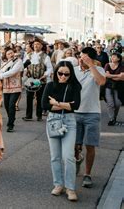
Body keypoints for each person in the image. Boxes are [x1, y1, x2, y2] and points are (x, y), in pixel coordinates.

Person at [42, 61, 82, 202]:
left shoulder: (75, 86)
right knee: (55, 156)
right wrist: (65, 105)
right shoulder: (50, 85)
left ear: (70, 74)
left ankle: (70, 188)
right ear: (56, 72)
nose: (63, 76)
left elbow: (76, 106)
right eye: (60, 73)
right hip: (53, 121)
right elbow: (44, 105)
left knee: (69, 156)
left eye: (66, 74)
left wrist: (56, 103)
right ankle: (58, 184)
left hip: (69, 122)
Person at [74, 47, 106, 188]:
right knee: (75, 145)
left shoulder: (98, 70)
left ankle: (87, 174)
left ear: (91, 59)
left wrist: (91, 65)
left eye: (84, 58)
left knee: (90, 145)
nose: (81, 60)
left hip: (92, 113)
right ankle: (77, 159)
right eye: (80, 57)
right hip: (75, 112)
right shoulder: (74, 70)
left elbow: (101, 82)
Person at [23, 37, 53, 121]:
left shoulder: (45, 56)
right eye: (35, 44)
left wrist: (45, 75)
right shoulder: (28, 55)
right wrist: (26, 71)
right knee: (29, 97)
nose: (36, 45)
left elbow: (50, 68)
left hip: (41, 80)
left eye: (38, 44)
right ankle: (28, 115)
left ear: (41, 46)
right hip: (30, 80)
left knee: (40, 98)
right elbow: (24, 66)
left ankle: (39, 115)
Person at [0, 47, 23, 132]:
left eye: (12, 53)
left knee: (12, 105)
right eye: (8, 54)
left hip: (16, 87)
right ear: (6, 55)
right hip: (6, 87)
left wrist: (1, 75)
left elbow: (13, 71)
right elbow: (0, 71)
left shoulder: (18, 61)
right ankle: (11, 117)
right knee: (6, 105)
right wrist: (1, 73)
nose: (10, 55)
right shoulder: (5, 62)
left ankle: (10, 124)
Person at [103, 52, 123, 126]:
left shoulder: (122, 66)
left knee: (117, 104)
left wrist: (111, 76)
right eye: (112, 56)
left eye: (114, 57)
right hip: (108, 86)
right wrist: (117, 76)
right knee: (110, 104)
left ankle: (114, 117)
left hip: (118, 87)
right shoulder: (107, 65)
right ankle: (112, 119)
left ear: (118, 58)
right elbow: (106, 75)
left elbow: (122, 77)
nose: (112, 57)